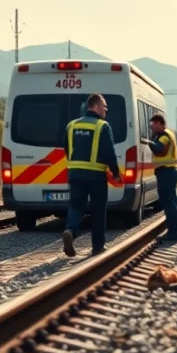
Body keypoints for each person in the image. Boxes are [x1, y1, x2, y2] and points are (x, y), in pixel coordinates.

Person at [62, 94, 121, 258]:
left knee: (76, 206)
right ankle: (97, 246)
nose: (106, 110)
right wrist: (115, 172)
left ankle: (70, 231)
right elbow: (109, 153)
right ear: (95, 106)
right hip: (96, 176)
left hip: (75, 174)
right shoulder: (103, 126)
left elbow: (67, 149)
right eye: (104, 107)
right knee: (98, 210)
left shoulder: (71, 125)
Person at [148, 113, 177, 242]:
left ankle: (174, 233)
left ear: (158, 123)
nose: (152, 128)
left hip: (166, 173)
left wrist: (150, 141)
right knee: (170, 203)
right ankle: (174, 231)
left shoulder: (164, 136)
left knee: (169, 204)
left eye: (153, 125)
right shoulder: (166, 134)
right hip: (168, 172)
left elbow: (159, 149)